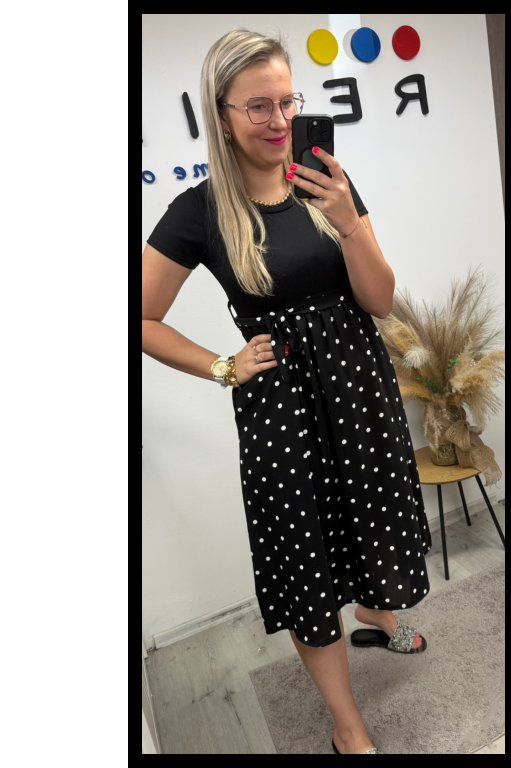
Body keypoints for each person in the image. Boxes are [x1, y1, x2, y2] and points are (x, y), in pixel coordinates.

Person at [142, 29, 431, 755]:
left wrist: (347, 222)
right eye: (258, 107)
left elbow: (380, 300)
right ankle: (347, 723)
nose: (278, 121)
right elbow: (138, 316)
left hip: (359, 392)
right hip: (282, 411)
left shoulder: (328, 182)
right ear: (222, 113)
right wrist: (222, 366)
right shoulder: (199, 211)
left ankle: (377, 614)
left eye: (287, 102)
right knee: (306, 561)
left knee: (373, 522)